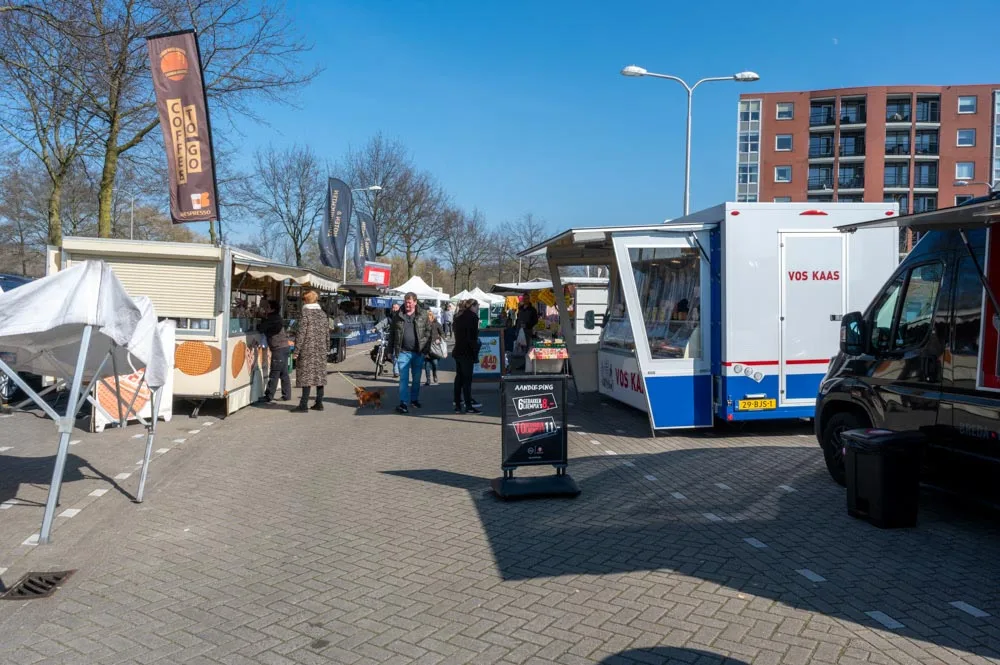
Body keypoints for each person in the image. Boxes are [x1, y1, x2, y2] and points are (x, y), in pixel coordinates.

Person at [389, 292, 430, 414]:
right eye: (406, 302)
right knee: (403, 380)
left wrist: (425, 349)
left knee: (416, 379)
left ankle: (414, 400)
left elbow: (428, 332)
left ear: (415, 302)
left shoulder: (423, 314)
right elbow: (392, 333)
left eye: (409, 302)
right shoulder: (398, 315)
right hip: (403, 352)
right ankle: (403, 403)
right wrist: (389, 351)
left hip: (418, 352)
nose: (407, 304)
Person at [291, 290, 329, 413]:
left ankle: (303, 405)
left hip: (307, 349)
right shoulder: (322, 314)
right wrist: (327, 347)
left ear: (306, 300)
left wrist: (296, 350)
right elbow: (327, 333)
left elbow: (301, 333)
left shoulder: (305, 313)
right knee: (319, 377)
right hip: (320, 349)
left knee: (306, 377)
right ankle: (319, 403)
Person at [256, 299, 291, 403]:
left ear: (272, 309)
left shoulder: (272, 319)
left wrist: (260, 319)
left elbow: (261, 328)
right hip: (284, 347)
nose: (265, 309)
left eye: (267, 307)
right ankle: (287, 395)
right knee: (283, 372)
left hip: (278, 349)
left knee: (274, 373)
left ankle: (269, 396)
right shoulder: (276, 317)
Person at [452, 299, 481, 414]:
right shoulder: (473, 317)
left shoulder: (458, 316)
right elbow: (473, 336)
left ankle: (457, 404)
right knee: (467, 380)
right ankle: (468, 405)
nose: (478, 308)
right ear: (473, 306)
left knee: (459, 378)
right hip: (467, 351)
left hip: (458, 350)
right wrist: (475, 352)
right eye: (477, 306)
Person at [423, 311, 444, 386]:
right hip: (426, 348)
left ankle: (435, 374)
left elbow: (442, 333)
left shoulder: (437, 324)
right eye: (427, 316)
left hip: (435, 347)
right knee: (426, 365)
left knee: (435, 364)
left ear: (432, 316)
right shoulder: (424, 325)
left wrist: (440, 339)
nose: (428, 317)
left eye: (429, 316)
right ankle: (428, 380)